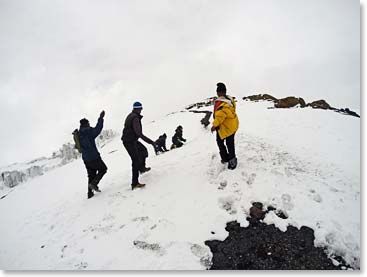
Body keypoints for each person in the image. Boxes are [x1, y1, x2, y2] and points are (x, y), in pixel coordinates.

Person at [121, 102, 156, 190]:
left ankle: (142, 168)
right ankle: (135, 183)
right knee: (135, 160)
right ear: (138, 109)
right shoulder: (135, 118)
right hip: (129, 141)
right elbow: (139, 133)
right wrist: (151, 142)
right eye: (141, 109)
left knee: (143, 150)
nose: (141, 110)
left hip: (132, 140)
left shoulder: (131, 115)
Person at [79, 111, 108, 199]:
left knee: (91, 174)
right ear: (87, 124)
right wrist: (101, 118)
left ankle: (90, 193)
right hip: (94, 157)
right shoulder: (88, 131)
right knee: (103, 169)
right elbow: (98, 129)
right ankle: (94, 184)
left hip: (86, 159)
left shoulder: (79, 133)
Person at [211, 82, 239, 170]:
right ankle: (226, 158)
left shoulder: (222, 104)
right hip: (231, 125)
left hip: (226, 127)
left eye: (218, 92)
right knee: (227, 143)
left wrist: (214, 126)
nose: (217, 94)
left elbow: (219, 116)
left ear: (220, 92)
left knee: (225, 143)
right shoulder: (229, 99)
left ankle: (231, 161)